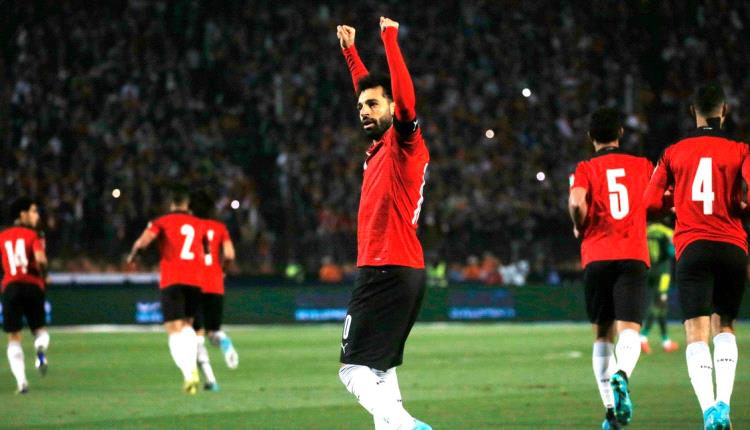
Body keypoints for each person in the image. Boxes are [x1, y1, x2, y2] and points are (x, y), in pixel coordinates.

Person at [336, 17, 431, 430]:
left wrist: (389, 40)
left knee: (352, 370)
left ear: (393, 108)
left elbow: (402, 99)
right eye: (360, 107)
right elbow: (368, 89)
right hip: (403, 270)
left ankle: (407, 426)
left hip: (384, 267)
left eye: (374, 105)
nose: (364, 111)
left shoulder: (404, 142)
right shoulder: (380, 149)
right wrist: (350, 53)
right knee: (380, 369)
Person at [644, 83, 748, 430]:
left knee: (695, 332)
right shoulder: (741, 150)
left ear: (693, 113)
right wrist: (741, 207)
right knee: (725, 326)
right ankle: (724, 404)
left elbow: (649, 203)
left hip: (692, 247)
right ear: (724, 112)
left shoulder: (673, 152)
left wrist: (675, 203)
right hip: (732, 246)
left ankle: (709, 412)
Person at [569, 107, 653, 429]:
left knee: (603, 334)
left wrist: (579, 225)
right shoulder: (642, 165)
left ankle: (610, 412)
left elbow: (576, 202)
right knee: (629, 328)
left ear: (591, 137)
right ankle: (623, 374)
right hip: (632, 254)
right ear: (621, 133)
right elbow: (661, 199)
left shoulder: (586, 168)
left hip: (597, 254)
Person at [127, 186, 206, 394]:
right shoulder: (199, 224)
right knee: (188, 325)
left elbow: (143, 242)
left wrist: (133, 255)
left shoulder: (162, 221)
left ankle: (188, 373)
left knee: (173, 329)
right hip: (195, 280)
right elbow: (204, 251)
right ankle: (192, 368)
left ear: (172, 205)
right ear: (187, 205)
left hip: (173, 279)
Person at [0, 198, 50, 394]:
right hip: (32, 286)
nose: (37, 215)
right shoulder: (33, 235)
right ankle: (40, 348)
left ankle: (21, 382)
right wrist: (44, 275)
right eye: (33, 211)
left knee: (14, 337)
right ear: (23, 214)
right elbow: (41, 260)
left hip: (10, 287)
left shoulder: (2, 237)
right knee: (40, 331)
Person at [191, 190, 239, 392]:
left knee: (195, 335)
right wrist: (222, 271)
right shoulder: (220, 228)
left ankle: (211, 380)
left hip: (193, 283)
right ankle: (223, 340)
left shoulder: (190, 227)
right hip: (215, 283)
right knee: (213, 331)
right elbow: (229, 254)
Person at [640, 221, 679, 354]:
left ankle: (666, 341)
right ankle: (642, 337)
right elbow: (672, 251)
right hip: (663, 272)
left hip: (650, 270)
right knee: (658, 303)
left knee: (662, 306)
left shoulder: (646, 232)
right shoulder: (665, 231)